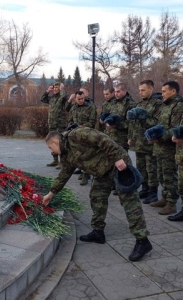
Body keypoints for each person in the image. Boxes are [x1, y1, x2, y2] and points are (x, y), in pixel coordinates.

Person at [42, 128, 152, 262]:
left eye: (50, 147)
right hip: (102, 172)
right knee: (96, 197)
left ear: (55, 141)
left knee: (129, 202)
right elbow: (64, 175)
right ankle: (98, 232)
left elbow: (102, 138)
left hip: (117, 164)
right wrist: (50, 194)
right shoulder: (65, 155)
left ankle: (142, 241)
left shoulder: (76, 135)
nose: (51, 151)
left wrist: (118, 158)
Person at [145, 81, 183, 215]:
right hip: (159, 147)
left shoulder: (178, 106)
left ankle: (172, 203)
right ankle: (165, 198)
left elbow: (175, 129)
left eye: (164, 91)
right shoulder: (163, 105)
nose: (162, 94)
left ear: (173, 91)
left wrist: (159, 137)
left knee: (169, 176)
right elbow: (158, 124)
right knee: (161, 175)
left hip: (169, 148)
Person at [127, 80, 162, 204]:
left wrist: (144, 117)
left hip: (150, 143)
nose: (140, 92)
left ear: (151, 89)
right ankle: (145, 188)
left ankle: (153, 192)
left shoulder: (158, 104)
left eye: (143, 90)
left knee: (151, 169)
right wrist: (130, 137)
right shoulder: (139, 103)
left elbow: (158, 124)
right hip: (139, 142)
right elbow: (133, 123)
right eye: (139, 90)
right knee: (141, 167)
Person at [66, 90, 97, 185]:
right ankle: (83, 172)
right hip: (75, 135)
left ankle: (86, 176)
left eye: (82, 98)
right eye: (79, 99)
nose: (81, 100)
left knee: (86, 155)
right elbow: (70, 120)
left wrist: (81, 126)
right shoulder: (73, 108)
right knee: (78, 155)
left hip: (86, 134)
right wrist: (71, 127)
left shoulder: (90, 106)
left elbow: (92, 121)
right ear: (75, 99)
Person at [40, 82, 68, 168]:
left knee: (60, 142)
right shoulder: (52, 98)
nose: (55, 89)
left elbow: (64, 96)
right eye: (54, 87)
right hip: (52, 124)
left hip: (60, 124)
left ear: (60, 88)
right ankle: (55, 160)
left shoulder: (62, 97)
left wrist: (62, 89)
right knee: (52, 142)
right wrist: (47, 91)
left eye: (57, 87)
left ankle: (62, 162)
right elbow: (43, 99)